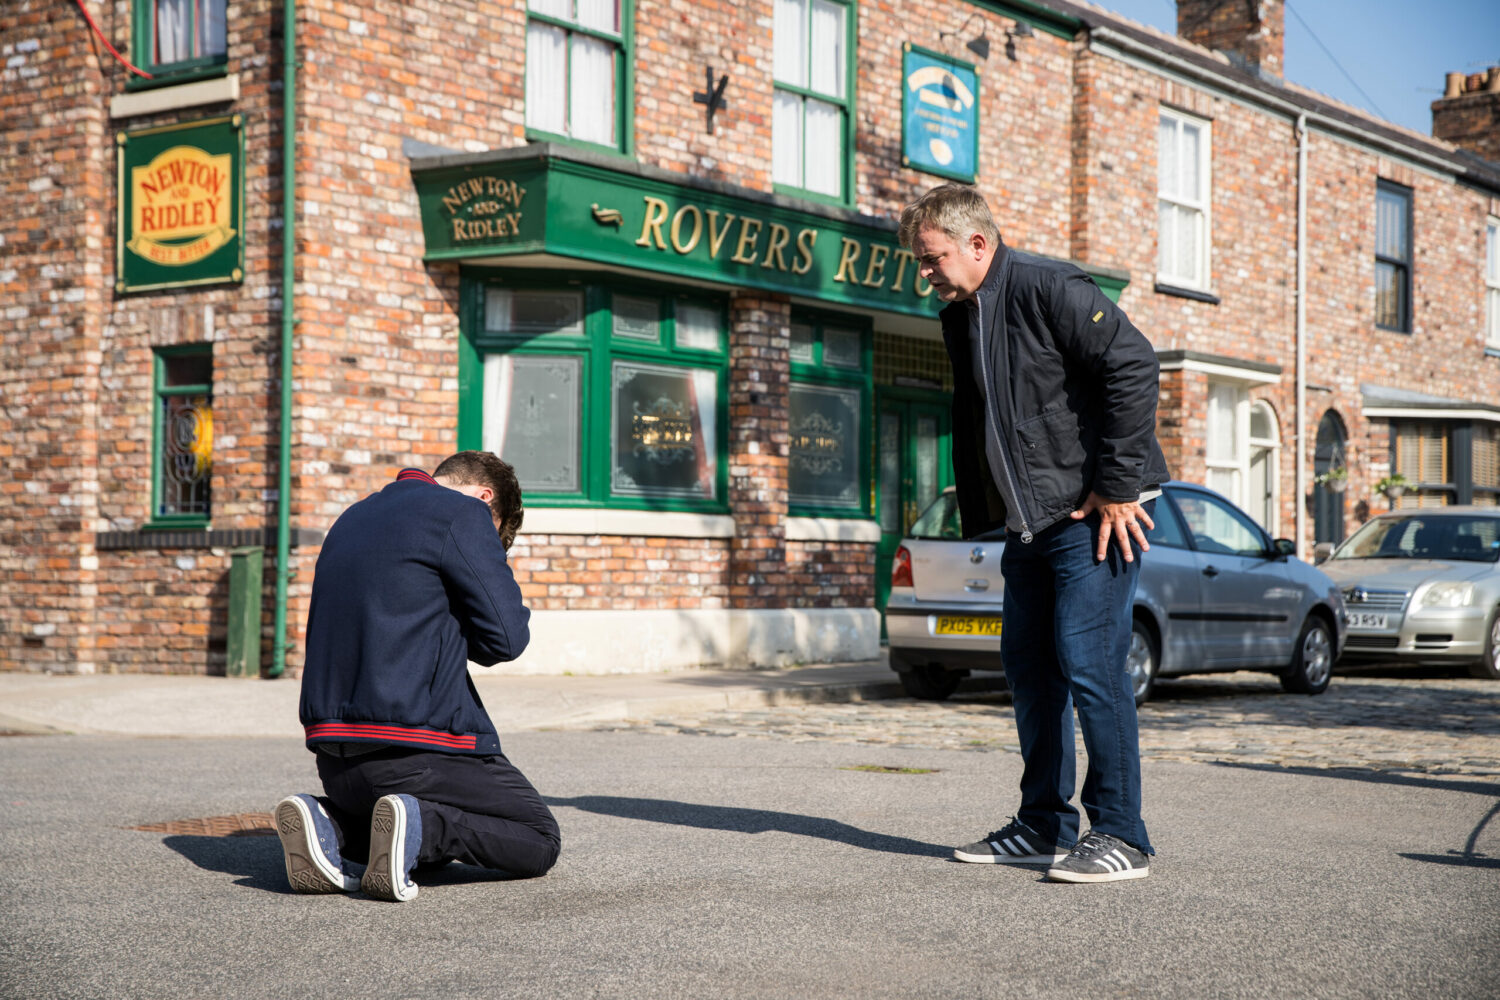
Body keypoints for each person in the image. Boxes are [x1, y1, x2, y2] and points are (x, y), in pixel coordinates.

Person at [898, 184, 1170, 883]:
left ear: (978, 244)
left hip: (1092, 522)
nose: (924, 273)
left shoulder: (1052, 288)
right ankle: (1043, 825)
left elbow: (1135, 365)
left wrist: (1116, 485)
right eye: (921, 263)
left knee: (1092, 668)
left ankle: (1122, 834)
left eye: (932, 259)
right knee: (1029, 672)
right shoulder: (962, 317)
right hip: (1026, 530)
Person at [274, 451, 560, 901]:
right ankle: (417, 827)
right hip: (416, 749)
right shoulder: (463, 514)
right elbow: (505, 639)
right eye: (496, 534)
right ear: (486, 499)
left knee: (412, 827)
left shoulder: (354, 515)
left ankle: (331, 824)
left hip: (335, 758)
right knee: (537, 837)